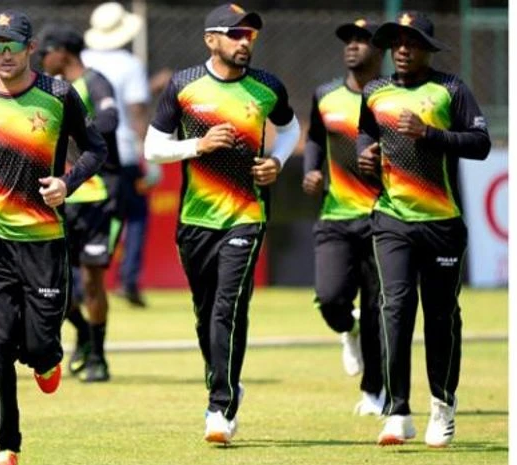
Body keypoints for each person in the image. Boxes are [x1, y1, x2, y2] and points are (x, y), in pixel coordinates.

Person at [0, 10, 106, 465]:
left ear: (30, 48)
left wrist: (67, 184)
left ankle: (49, 357)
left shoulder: (59, 94)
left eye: (12, 46)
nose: (4, 55)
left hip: (44, 241)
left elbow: (96, 149)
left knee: (38, 347)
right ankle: (7, 443)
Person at [144, 3, 300, 444]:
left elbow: (289, 129)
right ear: (211, 40)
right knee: (206, 313)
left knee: (228, 308)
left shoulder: (268, 86)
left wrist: (277, 160)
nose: (244, 41)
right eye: (235, 34)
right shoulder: (183, 86)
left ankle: (219, 406)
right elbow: (153, 149)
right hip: (195, 218)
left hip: (247, 215)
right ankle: (225, 379)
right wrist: (199, 144)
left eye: (249, 34)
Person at [356, 11, 491, 447]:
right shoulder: (375, 91)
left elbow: (480, 144)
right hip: (391, 217)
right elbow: (364, 132)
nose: (401, 48)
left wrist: (430, 134)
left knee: (440, 317)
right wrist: (366, 155)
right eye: (395, 41)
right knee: (393, 312)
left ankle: (442, 405)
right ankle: (397, 413)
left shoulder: (451, 89)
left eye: (411, 42)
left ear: (427, 49)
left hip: (442, 224)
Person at [302, 18, 384, 415]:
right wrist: (311, 172)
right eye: (348, 40)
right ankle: (345, 329)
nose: (352, 46)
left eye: (362, 40)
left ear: (380, 50)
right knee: (332, 299)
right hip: (335, 215)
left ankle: (373, 392)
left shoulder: (392, 97)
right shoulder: (326, 94)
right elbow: (316, 138)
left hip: (385, 217)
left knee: (377, 308)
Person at [37, 24, 121, 382]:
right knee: (50, 281)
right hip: (59, 197)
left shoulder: (93, 81)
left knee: (92, 282)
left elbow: (110, 120)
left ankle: (98, 355)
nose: (41, 60)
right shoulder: (48, 88)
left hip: (97, 196)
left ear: (63, 53)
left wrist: (71, 124)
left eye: (45, 53)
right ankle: (82, 331)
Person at [82, 1, 159, 307]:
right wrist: (150, 157)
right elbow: (137, 111)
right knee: (136, 216)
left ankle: (80, 281)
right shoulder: (129, 64)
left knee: (85, 219)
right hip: (123, 153)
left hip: (87, 153)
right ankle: (127, 280)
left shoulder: (82, 60)